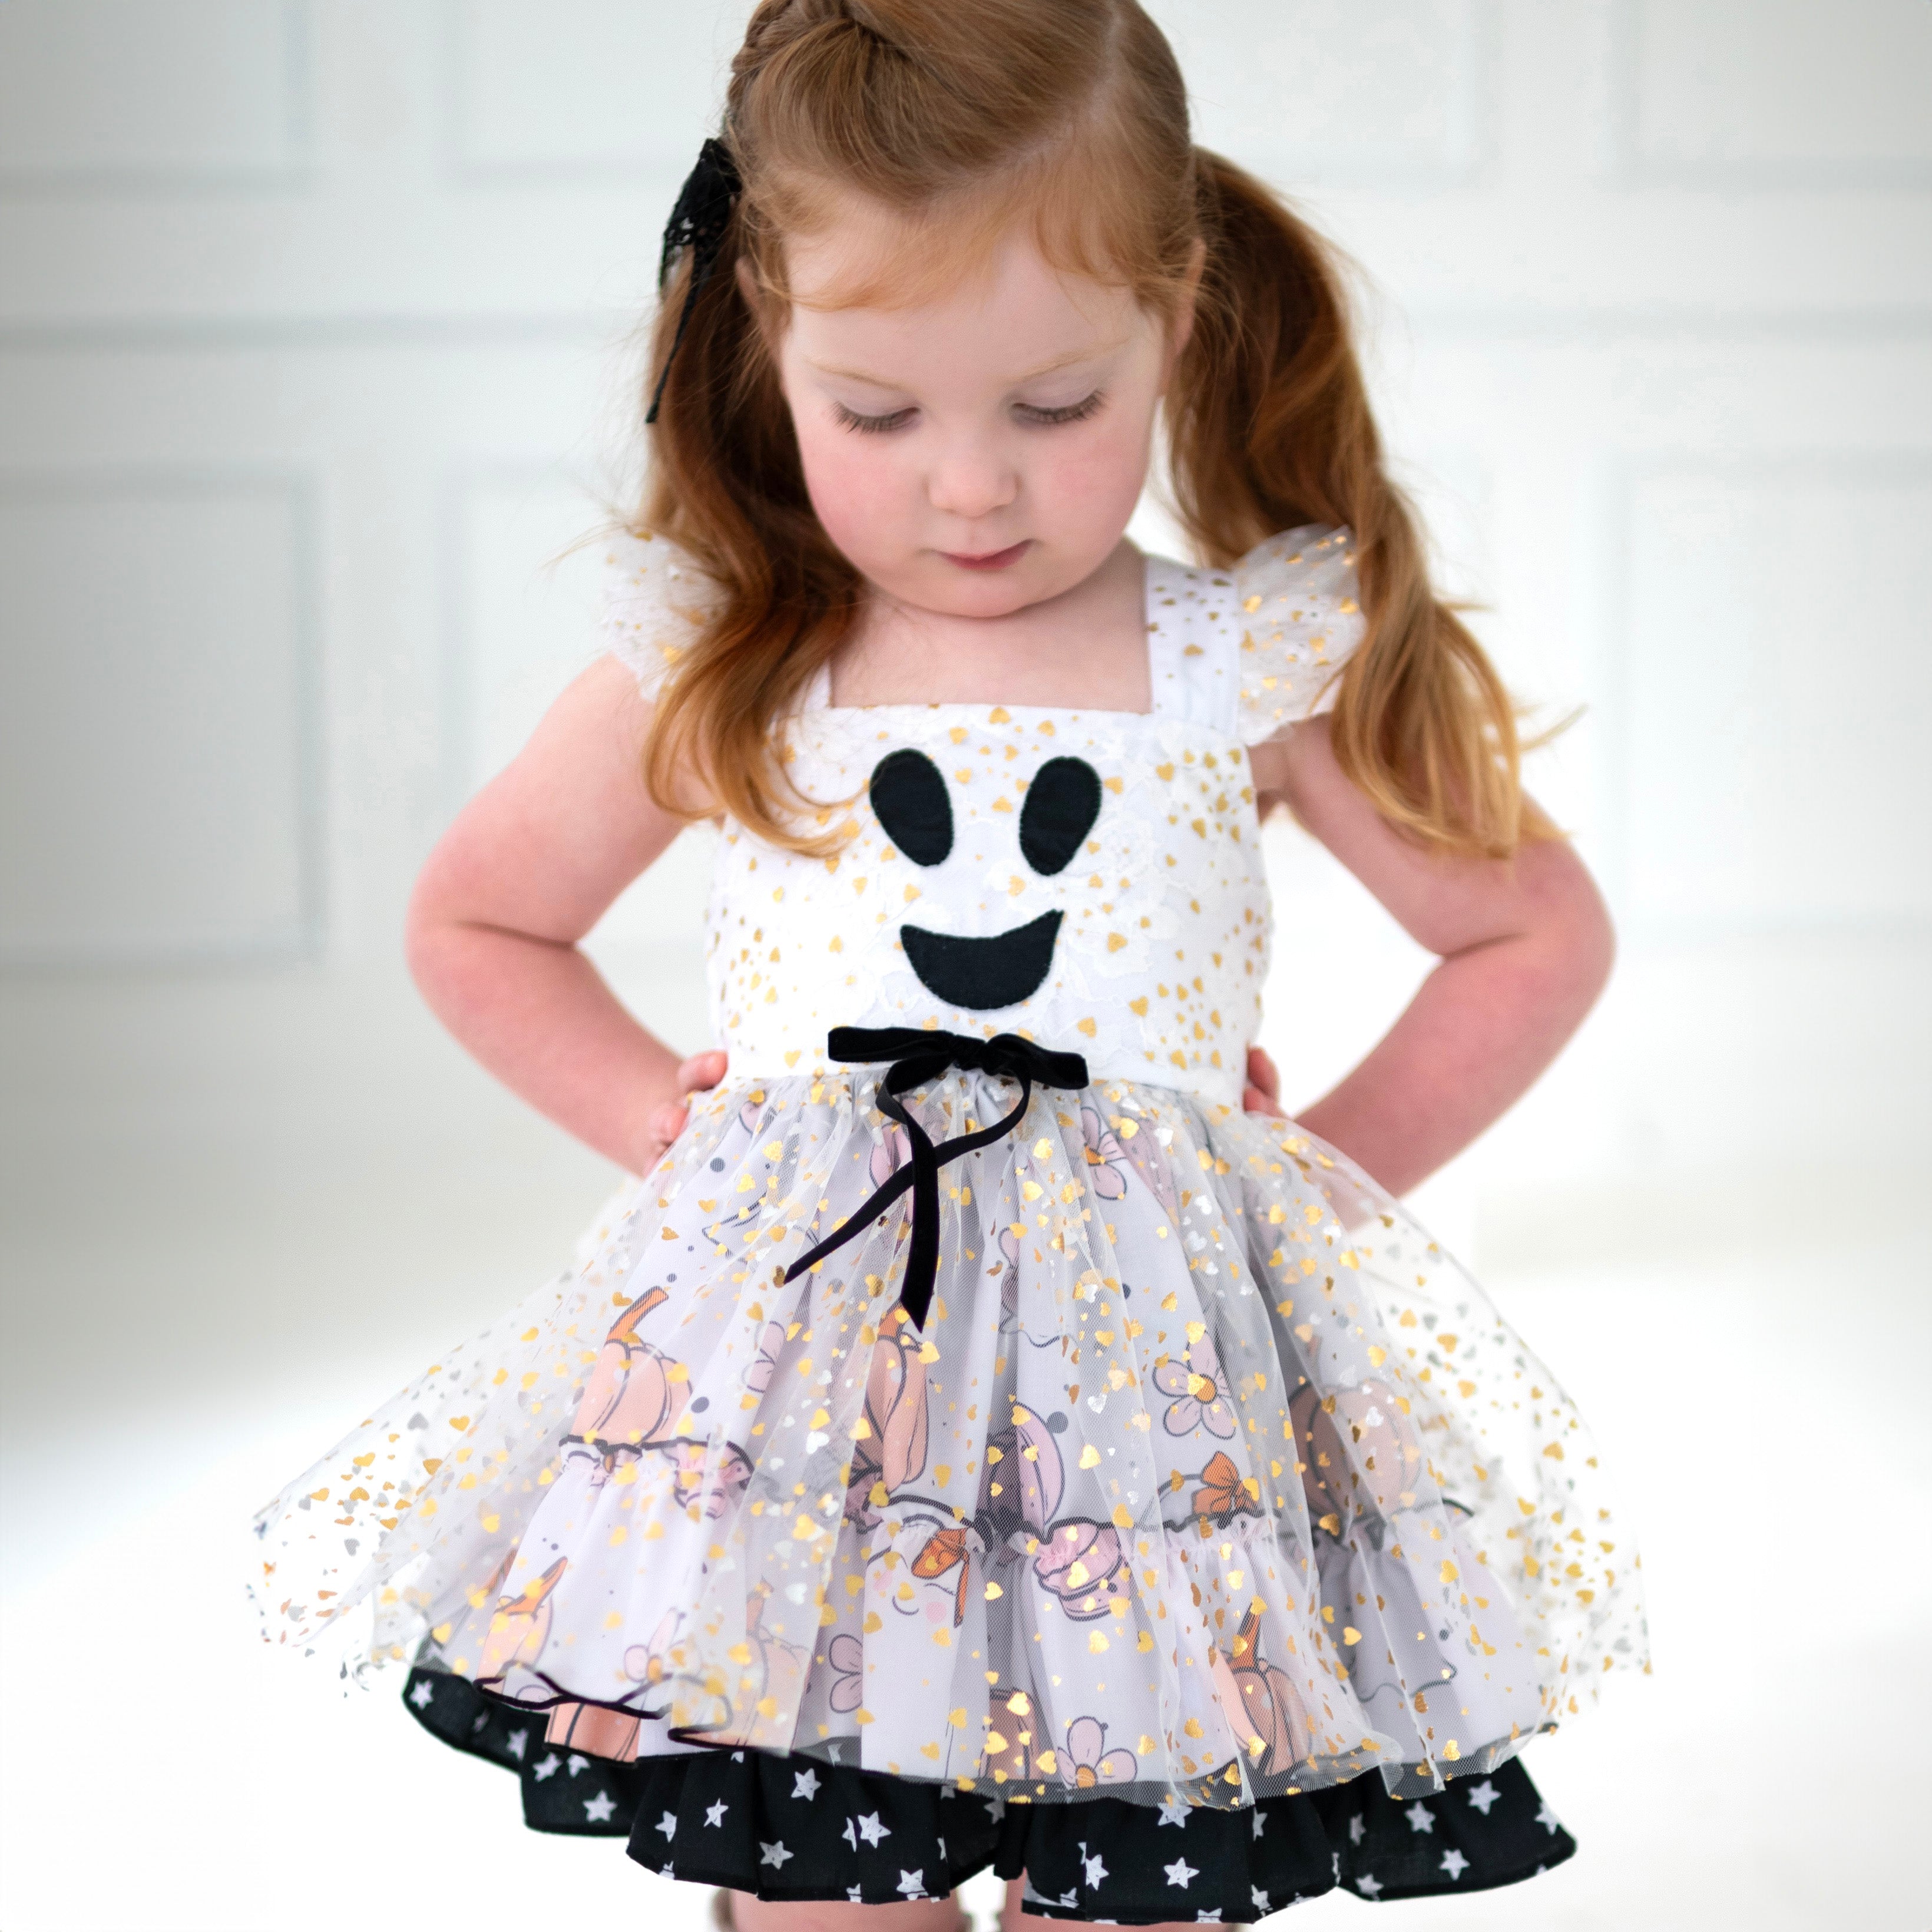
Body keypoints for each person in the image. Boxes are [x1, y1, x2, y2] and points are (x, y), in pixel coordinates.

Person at [253, 2, 1646, 1921]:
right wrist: (654, 1114)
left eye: (1054, 408)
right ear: (769, 342)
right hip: (817, 1414)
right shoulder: (728, 656)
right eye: (880, 415)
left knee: (1137, 1867)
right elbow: (479, 919)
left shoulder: (1240, 663)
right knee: (826, 1866)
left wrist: (1306, 1183)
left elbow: (1528, 929)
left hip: (1145, 1439)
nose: (972, 487)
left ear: (1174, 320)